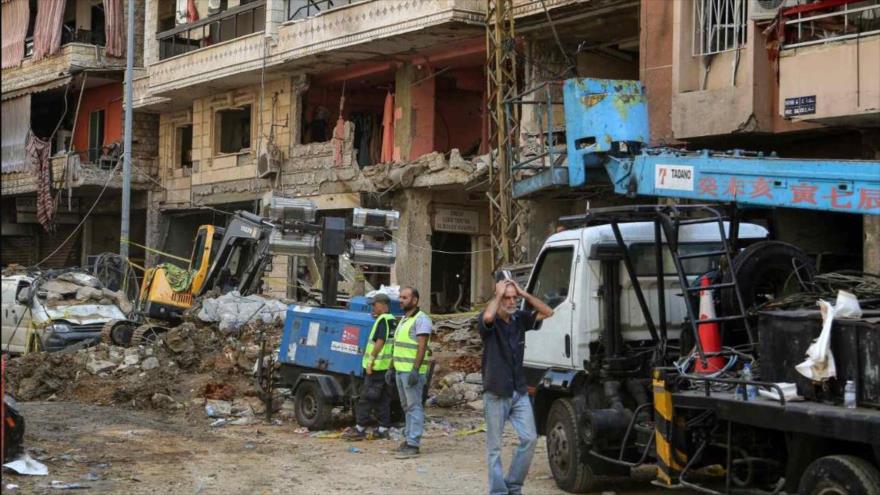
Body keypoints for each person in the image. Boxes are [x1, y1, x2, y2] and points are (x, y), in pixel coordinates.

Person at [479, 278, 554, 495]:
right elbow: (487, 317)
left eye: (514, 298)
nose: (511, 302)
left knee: (529, 438)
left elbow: (548, 312)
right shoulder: (488, 322)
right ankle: (498, 491)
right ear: (498, 298)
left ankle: (513, 485)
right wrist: (497, 295)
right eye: (507, 298)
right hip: (496, 391)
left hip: (518, 390)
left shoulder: (519, 319)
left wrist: (524, 294)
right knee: (494, 448)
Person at [343, 293, 396, 441]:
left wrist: (370, 360)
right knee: (383, 399)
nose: (373, 307)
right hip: (386, 368)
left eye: (375, 304)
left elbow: (380, 341)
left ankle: (359, 428)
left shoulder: (382, 320)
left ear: (383, 305)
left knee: (366, 398)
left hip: (377, 367)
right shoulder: (392, 320)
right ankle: (383, 428)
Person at [388, 286, 432, 459]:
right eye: (400, 297)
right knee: (407, 407)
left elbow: (422, 346)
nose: (401, 300)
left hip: (411, 372)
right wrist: (392, 368)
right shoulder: (404, 320)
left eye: (405, 297)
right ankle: (408, 439)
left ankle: (413, 443)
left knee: (414, 407)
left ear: (414, 300)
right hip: (400, 370)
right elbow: (397, 345)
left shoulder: (422, 320)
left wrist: (415, 369)